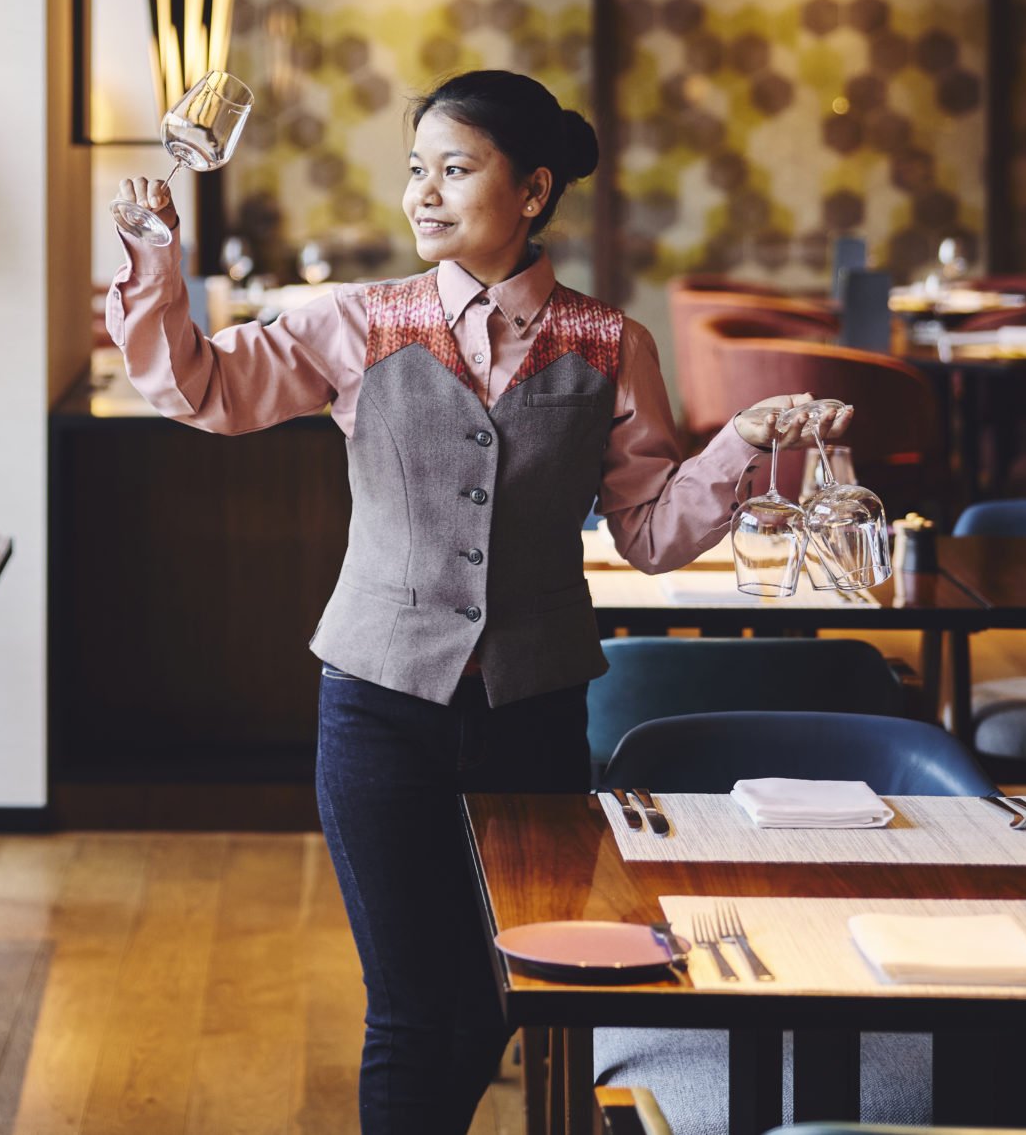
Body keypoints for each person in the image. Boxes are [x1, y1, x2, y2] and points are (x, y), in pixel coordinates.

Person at [106, 68, 850, 1134]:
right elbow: (200, 388)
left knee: (512, 991)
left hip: (534, 715)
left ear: (533, 190)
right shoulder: (356, 324)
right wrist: (153, 259)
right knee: (412, 1011)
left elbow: (648, 534)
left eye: (454, 170)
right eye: (415, 170)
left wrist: (741, 444)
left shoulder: (609, 345)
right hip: (377, 711)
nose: (422, 193)